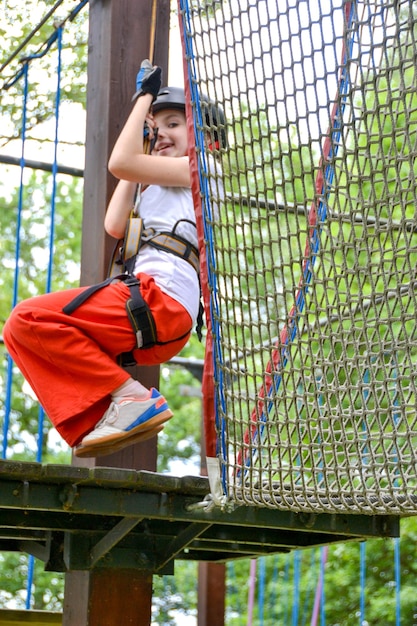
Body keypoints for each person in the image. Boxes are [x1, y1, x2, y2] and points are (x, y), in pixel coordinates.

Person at [3, 62, 224, 458]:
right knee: (24, 333)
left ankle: (129, 396)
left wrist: (144, 99)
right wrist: (142, 147)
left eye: (174, 124)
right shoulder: (163, 182)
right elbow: (115, 223)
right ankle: (115, 407)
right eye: (158, 129)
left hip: (161, 299)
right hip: (158, 316)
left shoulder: (204, 168)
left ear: (209, 140)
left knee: (29, 318)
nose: (162, 135)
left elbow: (119, 162)